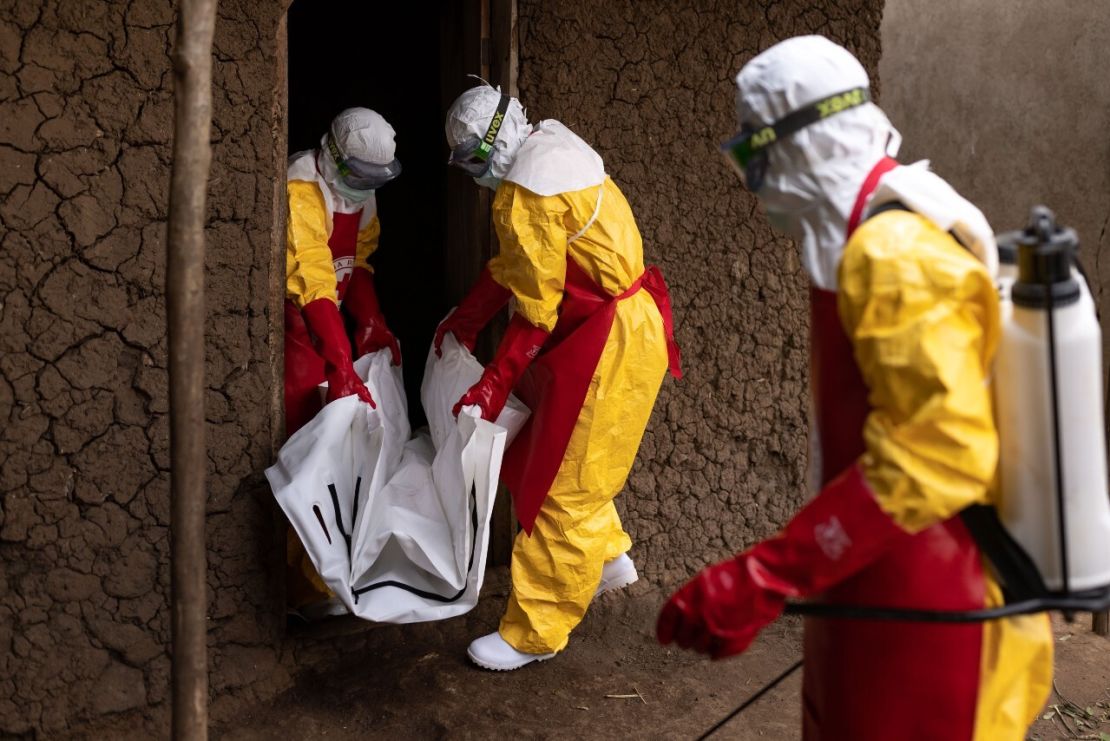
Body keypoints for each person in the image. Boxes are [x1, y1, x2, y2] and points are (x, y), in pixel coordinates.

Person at [657, 36, 1052, 739]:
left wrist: (768, 573)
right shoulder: (863, 237)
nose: (754, 182)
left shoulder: (894, 254)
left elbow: (942, 451)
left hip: (929, 600)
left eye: (756, 158)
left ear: (801, 147)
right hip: (875, 577)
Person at [438, 83, 682, 670]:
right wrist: (466, 320)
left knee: (559, 487)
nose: (472, 174)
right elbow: (522, 266)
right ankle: (604, 560)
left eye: (471, 160)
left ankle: (535, 630)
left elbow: (536, 310)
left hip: (605, 343)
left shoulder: (526, 197)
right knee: (572, 456)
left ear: (488, 150)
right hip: (620, 327)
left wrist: (492, 382)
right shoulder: (550, 150)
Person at [284, 107, 402, 612]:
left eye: (375, 179)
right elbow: (311, 274)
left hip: (331, 327)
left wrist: (371, 320)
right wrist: (337, 358)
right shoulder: (301, 189)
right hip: (297, 327)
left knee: (345, 451)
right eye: (357, 175)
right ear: (331, 155)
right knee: (302, 445)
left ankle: (329, 572)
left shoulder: (362, 196)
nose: (364, 187)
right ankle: (299, 584)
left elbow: (358, 266)